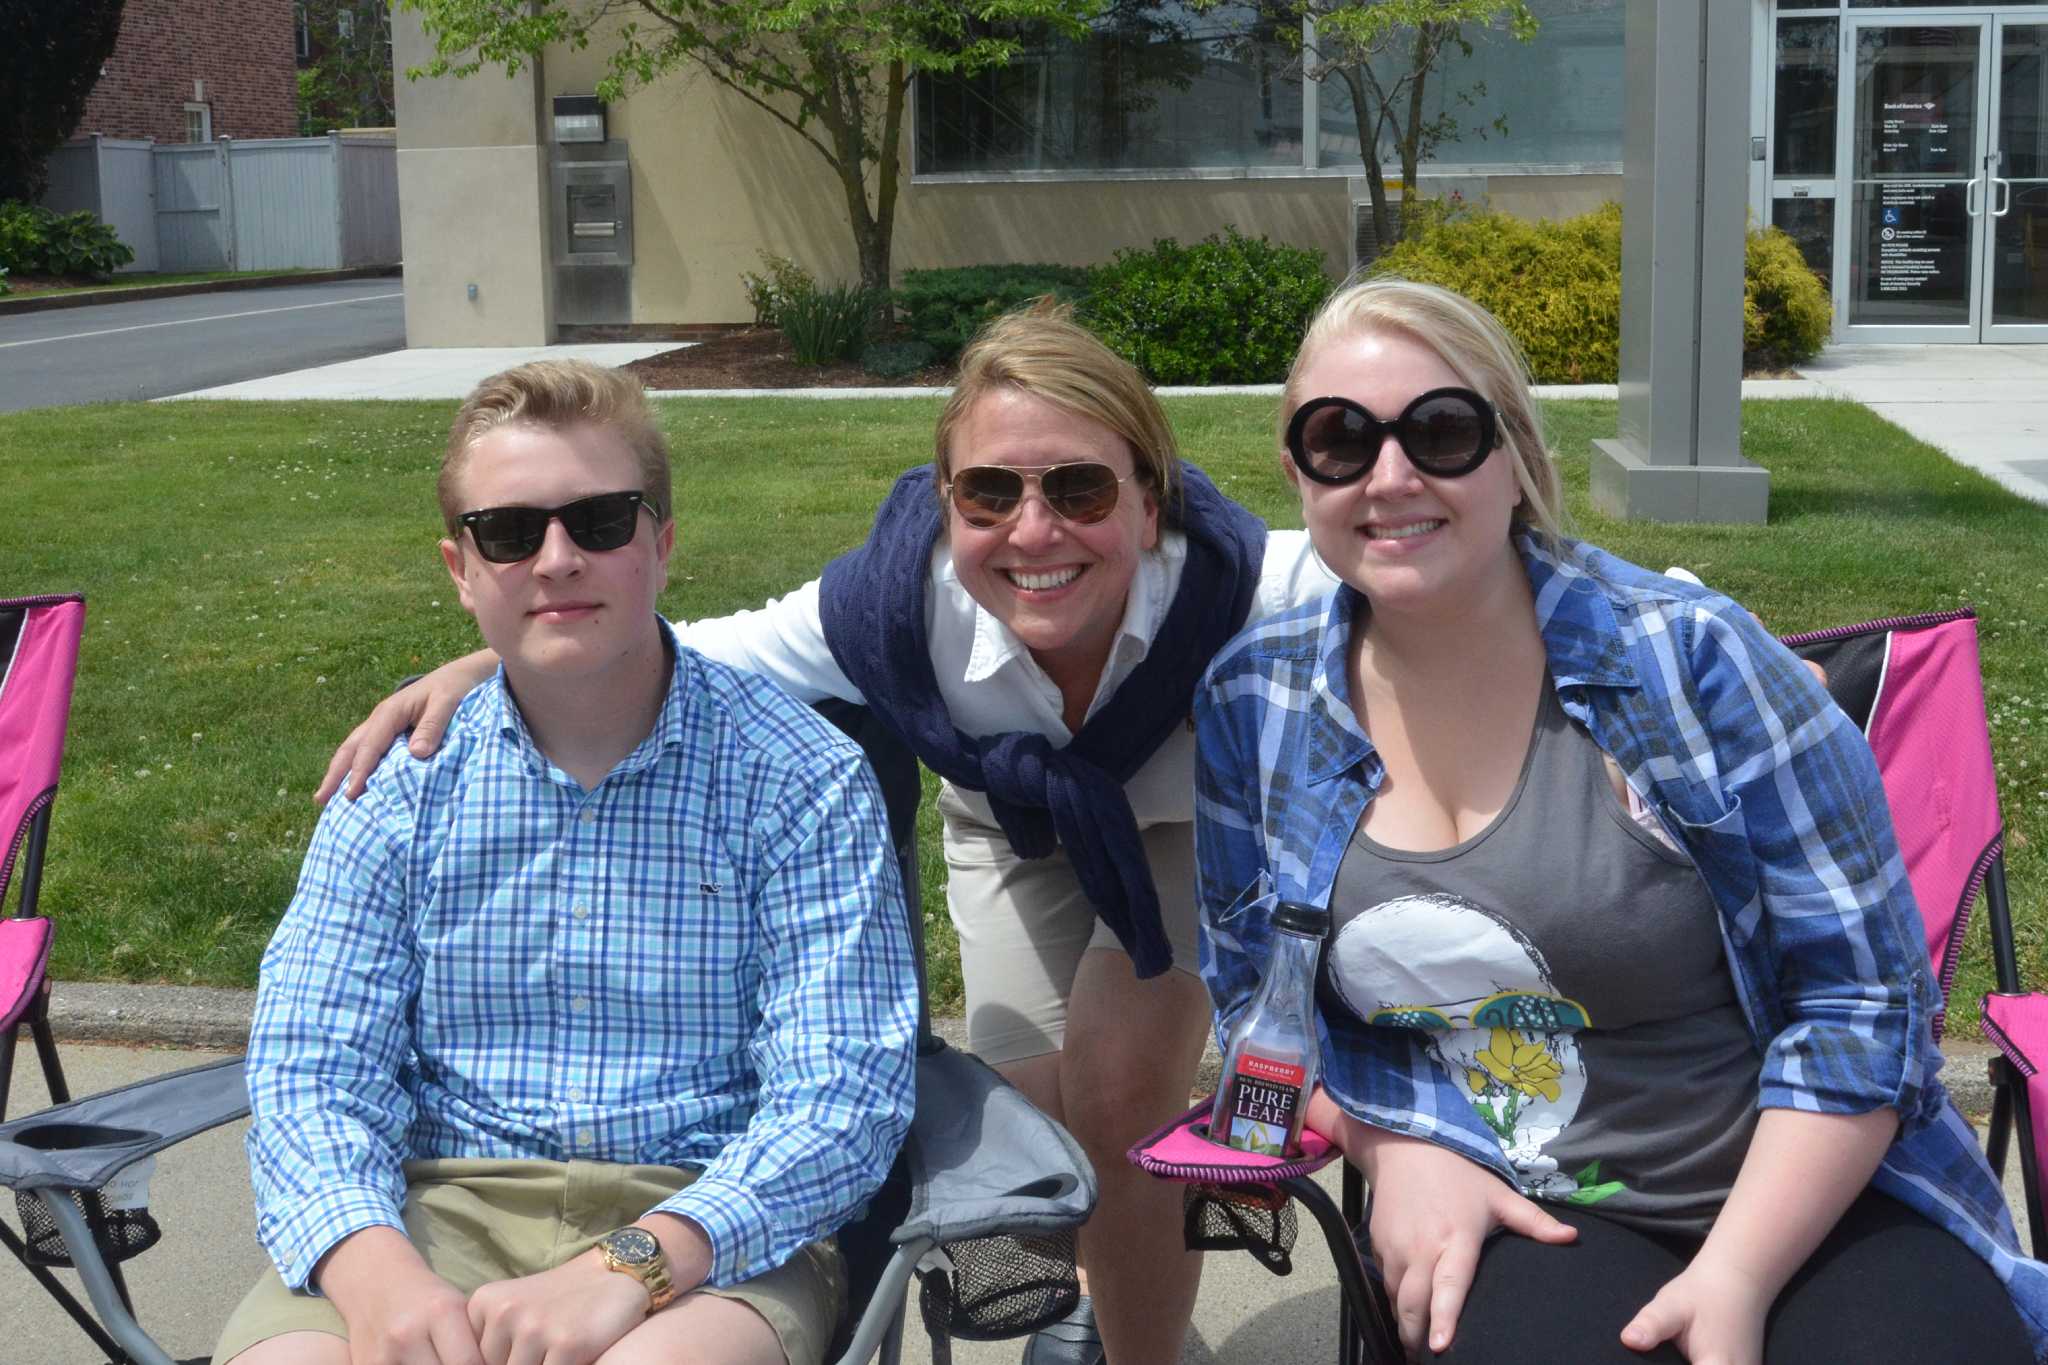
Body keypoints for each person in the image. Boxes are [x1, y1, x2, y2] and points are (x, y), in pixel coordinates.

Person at [314, 303, 1339, 1365]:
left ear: (1147, 497)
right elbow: (689, 647)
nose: (1033, 532)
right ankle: (1088, 1291)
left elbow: (1429, 592)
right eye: (989, 494)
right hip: (1014, 822)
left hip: (1178, 822)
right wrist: (497, 659)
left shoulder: (1246, 591)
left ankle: (1143, 1356)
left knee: (1120, 1078)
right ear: (946, 504)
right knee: (1026, 1127)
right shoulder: (895, 608)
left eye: (1077, 488)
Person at [1192, 277, 2048, 1364]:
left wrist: (1732, 1277)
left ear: (1513, 458)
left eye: (1442, 432)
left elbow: (1860, 1005)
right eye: (1339, 440)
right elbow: (1247, 1015)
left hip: (1811, 1183)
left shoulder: (1691, 662)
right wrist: (1385, 1149)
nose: (1390, 476)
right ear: (1296, 473)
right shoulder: (1251, 704)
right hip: (1524, 1201)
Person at [218, 360, 919, 1365]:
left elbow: (841, 1098)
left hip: (707, 1225)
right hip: (429, 1207)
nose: (555, 560)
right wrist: (375, 1275)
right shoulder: (400, 785)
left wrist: (631, 1262)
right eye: (509, 532)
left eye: (597, 522)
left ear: (661, 544)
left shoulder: (798, 780)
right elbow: (313, 1066)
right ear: (460, 569)